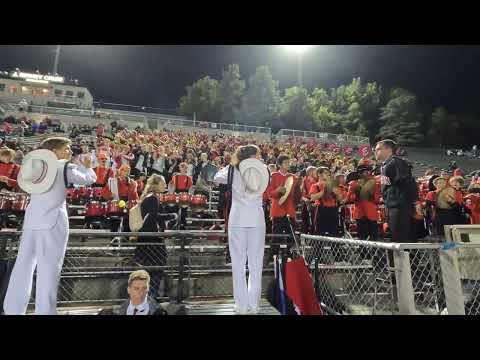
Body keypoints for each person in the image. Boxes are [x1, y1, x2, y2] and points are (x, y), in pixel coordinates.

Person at [3, 137, 96, 315]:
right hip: (53, 222)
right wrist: (88, 165)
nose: (69, 152)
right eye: (66, 148)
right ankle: (45, 311)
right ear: (54, 152)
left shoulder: (35, 167)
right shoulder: (64, 166)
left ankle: (13, 310)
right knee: (49, 270)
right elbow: (88, 178)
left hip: (31, 222)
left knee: (22, 267)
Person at [214, 144, 269, 315]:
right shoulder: (264, 169)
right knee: (256, 263)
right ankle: (254, 306)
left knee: (238, 263)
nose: (260, 157)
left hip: (238, 218)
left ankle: (241, 306)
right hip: (256, 218)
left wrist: (233, 163)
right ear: (253, 155)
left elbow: (216, 178)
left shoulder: (231, 169)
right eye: (259, 154)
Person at [134, 174, 177, 300]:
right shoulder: (152, 198)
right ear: (156, 185)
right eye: (163, 183)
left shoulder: (148, 197)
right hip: (152, 239)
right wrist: (171, 216)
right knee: (157, 268)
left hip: (146, 238)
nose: (165, 186)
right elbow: (153, 217)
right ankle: (152, 297)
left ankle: (149, 297)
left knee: (151, 269)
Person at [375, 139, 418, 243]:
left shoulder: (395, 162)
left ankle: (406, 259)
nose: (375, 152)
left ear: (388, 149)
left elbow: (407, 182)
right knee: (396, 236)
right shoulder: (387, 164)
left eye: (378, 149)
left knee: (401, 239)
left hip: (399, 206)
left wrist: (411, 202)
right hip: (393, 206)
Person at [346, 164, 381, 242]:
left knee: (374, 236)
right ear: (359, 173)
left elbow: (377, 199)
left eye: (368, 171)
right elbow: (349, 198)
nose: (368, 173)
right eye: (366, 171)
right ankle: (363, 253)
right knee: (362, 236)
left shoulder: (373, 183)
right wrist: (357, 194)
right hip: (360, 213)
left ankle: (375, 253)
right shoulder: (353, 184)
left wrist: (371, 195)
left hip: (371, 213)